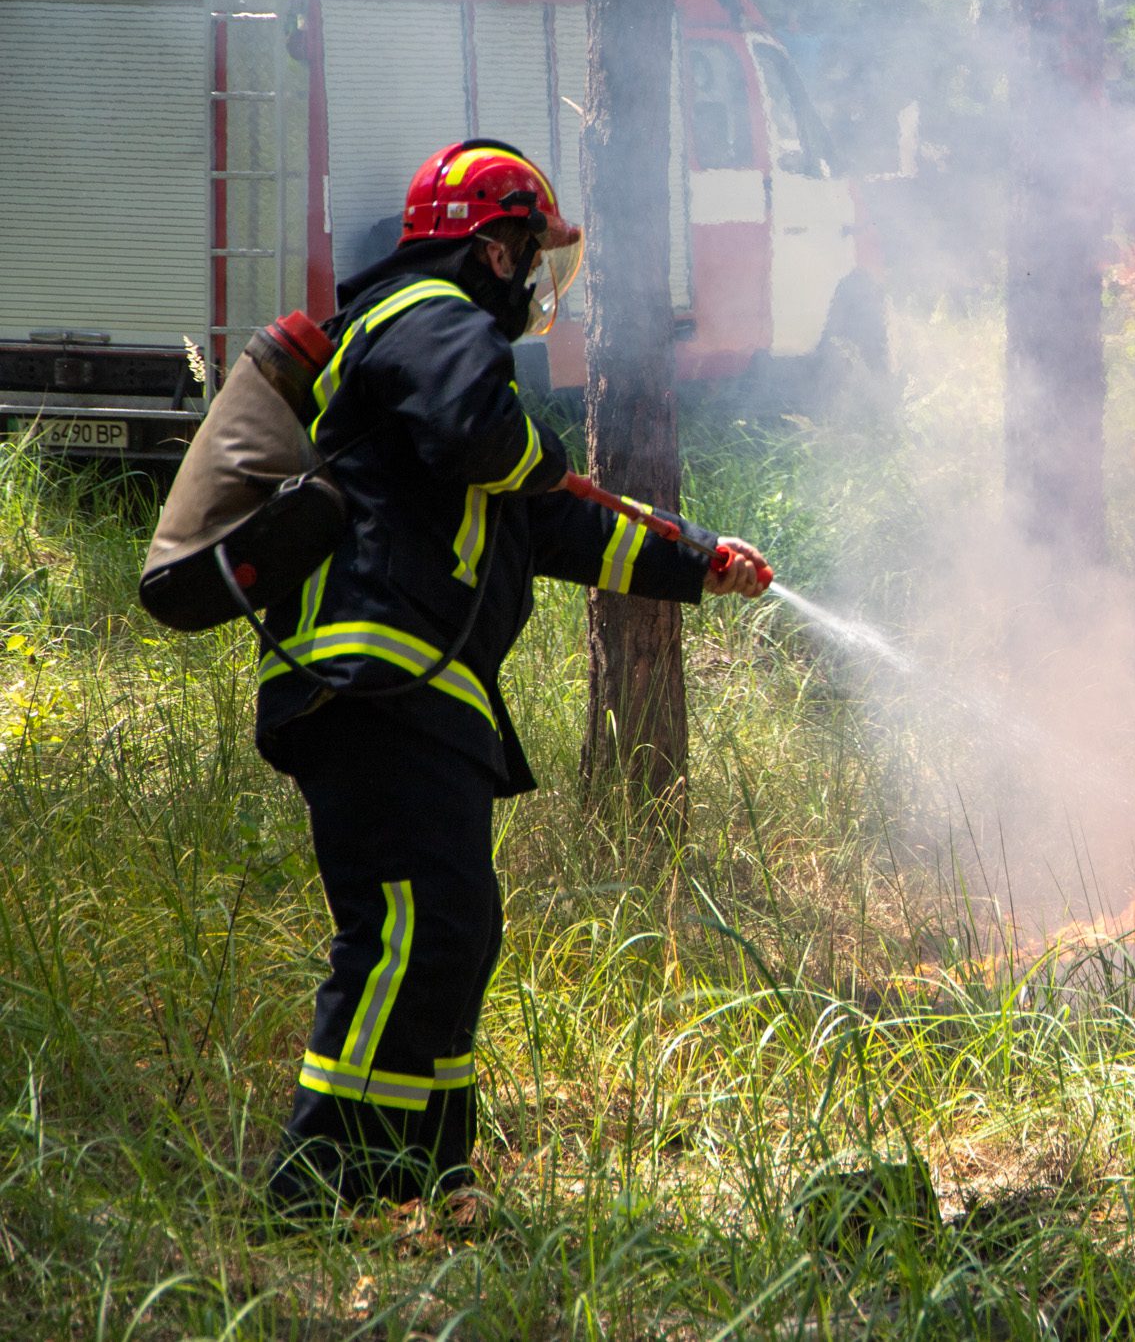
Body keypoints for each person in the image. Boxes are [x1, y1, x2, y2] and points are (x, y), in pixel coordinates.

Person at [257, 139, 769, 1222]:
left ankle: (426, 1176)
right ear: (490, 246)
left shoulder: (442, 359)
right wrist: (532, 447)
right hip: (374, 675)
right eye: (531, 253)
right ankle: (313, 1191)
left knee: (452, 923)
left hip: (415, 692)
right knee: (409, 921)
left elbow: (556, 521)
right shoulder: (425, 320)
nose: (537, 280)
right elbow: (487, 438)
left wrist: (696, 560)